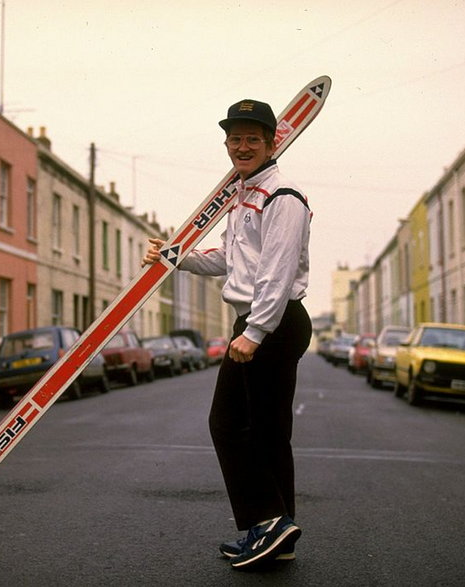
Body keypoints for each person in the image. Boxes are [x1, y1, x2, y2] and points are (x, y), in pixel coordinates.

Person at [142, 98, 313, 570]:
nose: (242, 146)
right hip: (263, 321)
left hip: (271, 322)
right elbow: (230, 260)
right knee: (268, 432)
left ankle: (269, 522)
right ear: (226, 143)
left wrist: (255, 331)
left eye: (252, 139)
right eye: (234, 139)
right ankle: (277, 534)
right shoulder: (244, 196)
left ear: (272, 141)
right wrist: (175, 257)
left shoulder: (284, 197)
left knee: (228, 424)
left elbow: (276, 273)